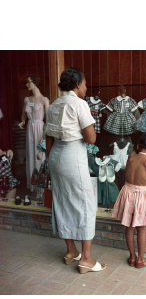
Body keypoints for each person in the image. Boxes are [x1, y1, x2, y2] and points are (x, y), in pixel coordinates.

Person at [46, 67, 105, 274]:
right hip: (72, 155)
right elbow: (91, 139)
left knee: (62, 200)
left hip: (55, 156)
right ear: (77, 84)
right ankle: (86, 258)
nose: (87, 88)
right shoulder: (79, 104)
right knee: (86, 202)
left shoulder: (53, 104)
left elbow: (48, 138)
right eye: (86, 83)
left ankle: (71, 251)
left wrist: (51, 162)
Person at [111, 117, 146, 268]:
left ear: (138, 146)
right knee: (141, 228)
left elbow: (137, 147)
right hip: (141, 195)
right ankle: (140, 259)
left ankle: (132, 257)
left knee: (129, 227)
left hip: (127, 192)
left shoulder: (131, 156)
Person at [19, 75, 49, 195]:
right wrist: (22, 121)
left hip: (40, 128)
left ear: (35, 83)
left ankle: (41, 187)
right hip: (29, 129)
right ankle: (33, 185)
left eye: (29, 82)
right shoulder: (27, 99)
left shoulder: (44, 100)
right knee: (31, 154)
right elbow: (23, 114)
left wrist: (44, 136)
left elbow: (48, 120)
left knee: (40, 155)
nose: (27, 85)